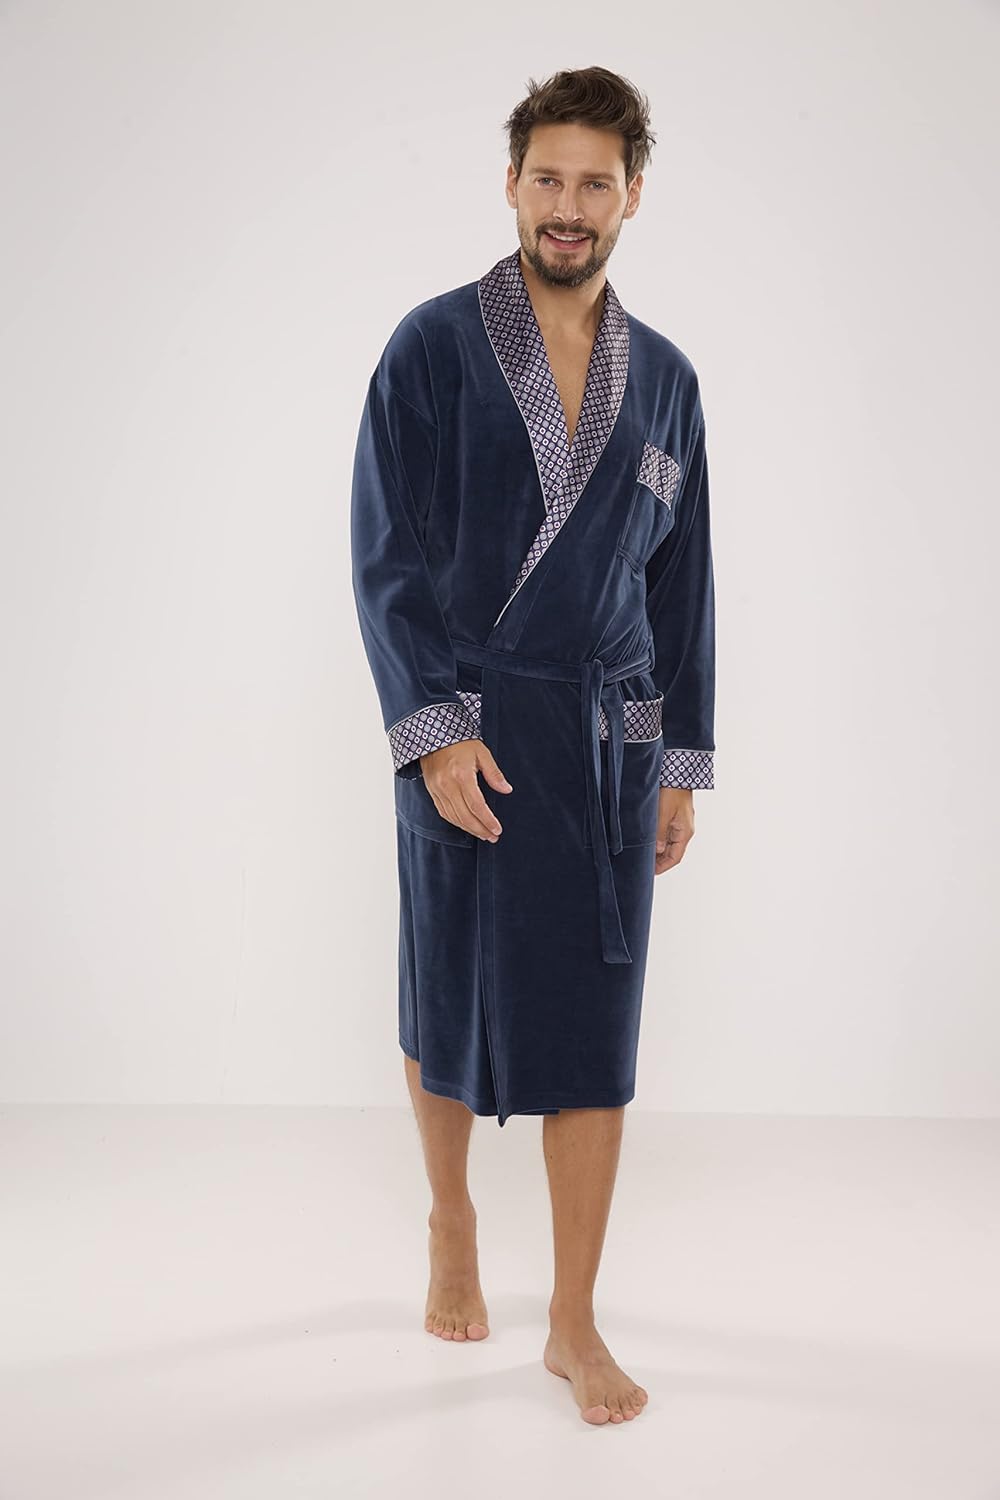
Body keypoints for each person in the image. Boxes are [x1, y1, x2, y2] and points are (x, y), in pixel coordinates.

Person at [349, 66, 716, 1426]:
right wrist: (434, 733)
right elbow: (386, 558)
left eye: (595, 183)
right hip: (473, 727)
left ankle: (572, 1318)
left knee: (598, 1021)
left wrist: (679, 764)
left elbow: (684, 588)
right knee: (445, 989)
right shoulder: (433, 347)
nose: (570, 206)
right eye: (548, 178)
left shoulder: (665, 382)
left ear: (632, 196)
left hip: (608, 740)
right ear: (511, 184)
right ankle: (450, 1215)